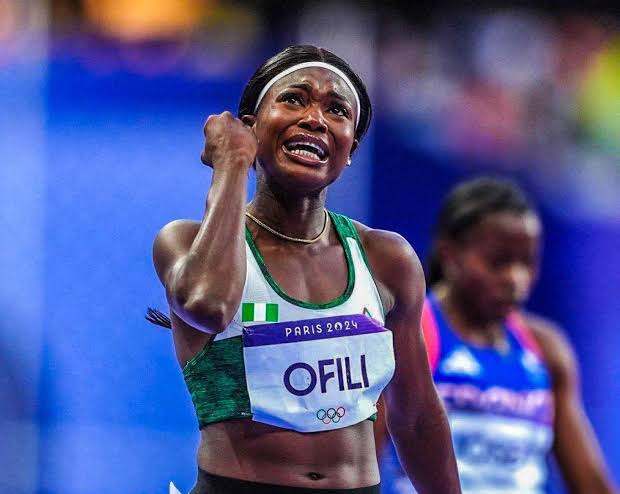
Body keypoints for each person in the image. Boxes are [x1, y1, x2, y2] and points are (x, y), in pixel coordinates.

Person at [148, 45, 461, 494]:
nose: (315, 118)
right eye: (294, 99)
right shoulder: (184, 243)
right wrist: (232, 164)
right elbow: (209, 306)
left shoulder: (386, 259)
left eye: (337, 110)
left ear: (350, 148)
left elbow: (416, 418)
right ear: (251, 128)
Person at [378, 177, 617, 494]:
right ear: (449, 255)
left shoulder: (546, 350)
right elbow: (363, 462)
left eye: (527, 263)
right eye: (498, 262)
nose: (515, 278)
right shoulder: (411, 334)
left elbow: (591, 485)